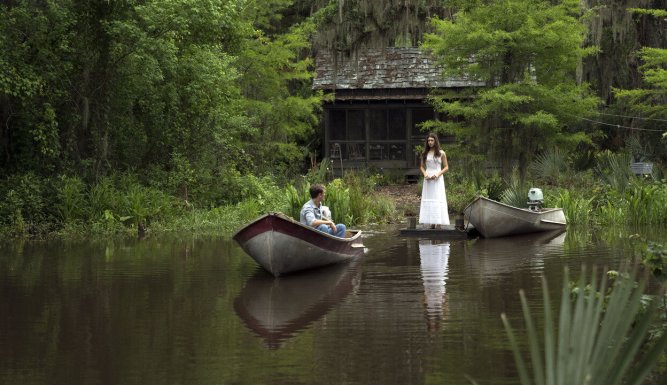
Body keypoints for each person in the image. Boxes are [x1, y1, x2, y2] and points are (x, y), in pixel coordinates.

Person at [419, 133, 450, 229]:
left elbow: (446, 167)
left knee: (438, 198)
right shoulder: (425, 153)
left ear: (435, 141)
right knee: (429, 198)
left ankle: (439, 222)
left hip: (437, 178)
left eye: (432, 140)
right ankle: (431, 222)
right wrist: (425, 174)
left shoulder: (442, 153)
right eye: (428, 140)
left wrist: (437, 174)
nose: (430, 142)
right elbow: (421, 167)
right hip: (428, 179)